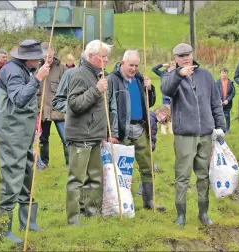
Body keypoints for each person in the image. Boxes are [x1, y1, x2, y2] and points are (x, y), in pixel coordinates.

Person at [161, 43, 226, 226]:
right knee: (182, 176)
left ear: (192, 55)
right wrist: (179, 75)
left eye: (188, 54)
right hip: (185, 135)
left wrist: (220, 126)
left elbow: (215, 102)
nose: (186, 58)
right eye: (181, 56)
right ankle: (181, 215)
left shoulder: (205, 75)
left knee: (203, 175)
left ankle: (203, 213)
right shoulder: (171, 77)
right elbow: (166, 89)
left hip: (205, 133)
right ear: (175, 59)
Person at [0, 40, 50, 244]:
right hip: (11, 135)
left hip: (24, 135)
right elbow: (19, 99)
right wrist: (37, 78)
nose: (40, 59)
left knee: (28, 174)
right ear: (27, 59)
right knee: (11, 178)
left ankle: (27, 222)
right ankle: (4, 231)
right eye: (37, 56)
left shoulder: (25, 69)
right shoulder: (12, 71)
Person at [107, 50, 165, 212]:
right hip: (121, 130)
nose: (134, 68)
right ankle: (122, 203)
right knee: (121, 169)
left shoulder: (140, 79)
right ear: (123, 63)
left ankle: (149, 201)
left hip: (140, 128)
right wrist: (111, 132)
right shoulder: (113, 79)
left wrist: (150, 89)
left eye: (136, 65)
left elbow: (150, 103)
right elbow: (106, 107)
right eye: (131, 65)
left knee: (147, 165)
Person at [64, 40, 111, 225]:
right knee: (77, 179)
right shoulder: (79, 75)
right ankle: (74, 218)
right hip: (80, 135)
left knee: (95, 178)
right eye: (103, 56)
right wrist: (96, 90)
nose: (107, 59)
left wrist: (104, 134)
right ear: (91, 56)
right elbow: (74, 105)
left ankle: (92, 214)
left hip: (95, 135)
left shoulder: (98, 74)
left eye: (107, 56)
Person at [37, 42, 67, 168]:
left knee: (66, 138)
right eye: (45, 54)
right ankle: (44, 163)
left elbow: (67, 88)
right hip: (42, 110)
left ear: (54, 52)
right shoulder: (36, 68)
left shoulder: (62, 68)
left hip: (58, 110)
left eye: (50, 53)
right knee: (43, 139)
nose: (48, 56)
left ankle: (70, 164)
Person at [136, 105, 171, 197]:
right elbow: (149, 135)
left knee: (149, 169)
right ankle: (143, 192)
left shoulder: (152, 118)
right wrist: (150, 145)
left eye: (165, 117)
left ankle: (143, 192)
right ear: (157, 110)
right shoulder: (151, 119)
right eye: (163, 114)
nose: (162, 117)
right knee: (150, 169)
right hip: (144, 148)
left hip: (146, 148)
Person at [216, 67, 236, 132]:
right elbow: (215, 92)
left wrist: (228, 100)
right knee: (220, 116)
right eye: (222, 73)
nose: (224, 74)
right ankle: (220, 128)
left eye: (225, 73)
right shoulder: (217, 82)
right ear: (220, 74)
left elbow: (233, 93)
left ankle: (227, 128)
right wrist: (219, 100)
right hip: (220, 103)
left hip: (228, 103)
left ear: (227, 74)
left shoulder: (230, 83)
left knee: (227, 115)